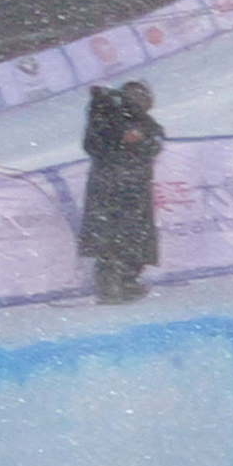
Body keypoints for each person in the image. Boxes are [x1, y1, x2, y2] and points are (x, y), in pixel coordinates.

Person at [80, 78, 165, 303]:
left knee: (118, 238)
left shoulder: (114, 117)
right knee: (119, 238)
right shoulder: (109, 117)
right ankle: (116, 284)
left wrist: (139, 141)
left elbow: (154, 140)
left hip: (122, 186)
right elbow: (96, 146)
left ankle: (121, 283)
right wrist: (124, 141)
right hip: (119, 186)